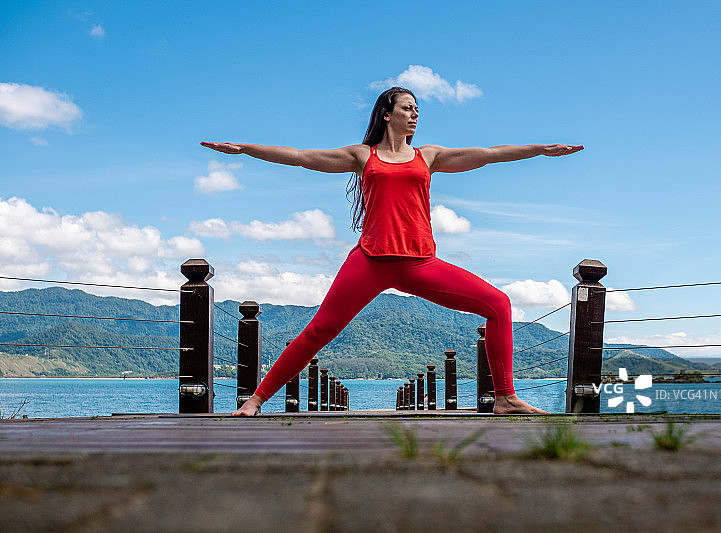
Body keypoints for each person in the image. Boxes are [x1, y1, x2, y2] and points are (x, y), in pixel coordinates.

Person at [201, 87, 583, 416]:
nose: (414, 115)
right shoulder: (363, 156)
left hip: (420, 262)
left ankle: (505, 398)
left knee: (498, 304)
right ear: (387, 114)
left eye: (418, 110)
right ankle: (257, 399)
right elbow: (301, 156)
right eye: (407, 108)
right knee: (319, 329)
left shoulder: (428, 156)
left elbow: (488, 153)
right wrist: (246, 149)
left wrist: (539, 150)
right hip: (370, 260)